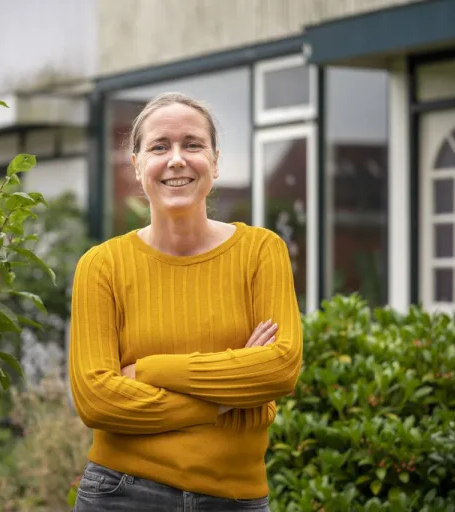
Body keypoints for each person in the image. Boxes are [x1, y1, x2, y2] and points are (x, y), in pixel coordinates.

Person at [68, 92, 303, 512]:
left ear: (215, 160)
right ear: (137, 166)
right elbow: (96, 399)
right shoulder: (101, 266)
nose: (177, 158)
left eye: (192, 144)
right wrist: (228, 397)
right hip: (121, 495)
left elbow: (280, 368)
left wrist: (150, 370)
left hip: (236, 499)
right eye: (160, 146)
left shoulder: (261, 252)